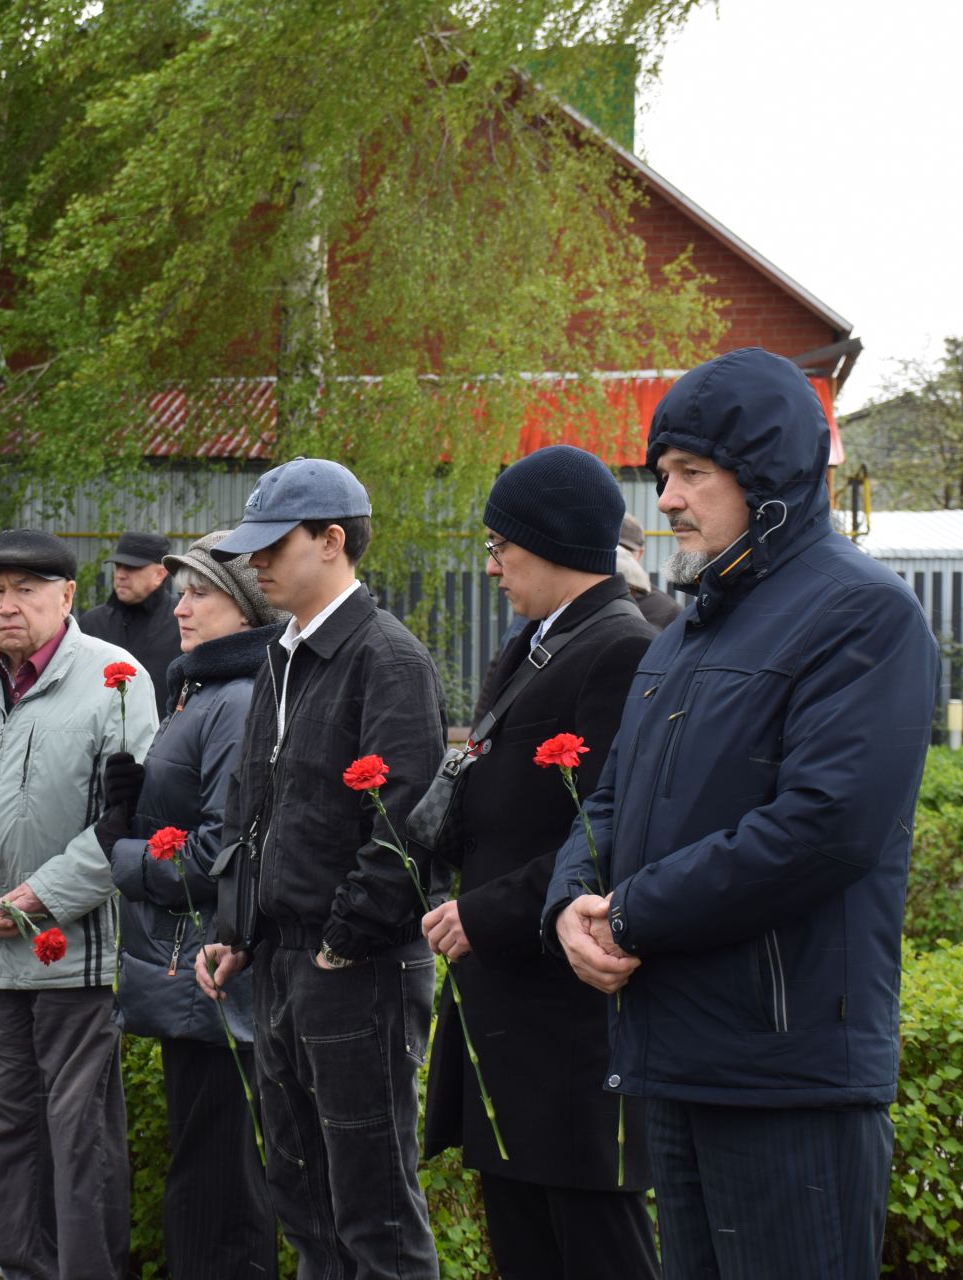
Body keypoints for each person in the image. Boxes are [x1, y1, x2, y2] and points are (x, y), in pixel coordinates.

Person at [542, 348, 940, 1280]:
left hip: (788, 1076)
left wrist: (630, 914)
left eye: (692, 473)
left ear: (767, 480)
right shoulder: (690, 627)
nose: (667, 499)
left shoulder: (862, 613)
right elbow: (612, 794)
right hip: (677, 1056)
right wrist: (570, 900)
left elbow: (824, 827)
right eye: (663, 473)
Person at [194, 458, 448, 1279]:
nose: (254, 562)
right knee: (302, 1196)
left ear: (332, 540)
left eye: (274, 544)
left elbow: (406, 820)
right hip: (282, 959)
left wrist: (343, 940)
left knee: (374, 1210)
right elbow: (254, 800)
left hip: (355, 969)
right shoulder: (284, 653)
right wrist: (238, 929)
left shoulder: (387, 659)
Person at [417, 446, 660, 1279]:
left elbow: (605, 830)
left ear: (553, 540)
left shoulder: (619, 648)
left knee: (591, 1236)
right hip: (511, 1000)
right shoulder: (541, 642)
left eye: (501, 547)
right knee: (525, 1235)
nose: (491, 567)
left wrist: (484, 913)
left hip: (562, 1012)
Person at [0, 529, 160, 1280]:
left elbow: (128, 817)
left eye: (26, 589)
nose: (7, 605)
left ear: (68, 595)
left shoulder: (116, 678)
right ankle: (25, 1268)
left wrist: (41, 899)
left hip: (69, 953)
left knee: (79, 1136)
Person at [105, 531, 280, 1280]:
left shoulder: (235, 699)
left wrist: (122, 850)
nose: (181, 606)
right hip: (195, 970)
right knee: (207, 1162)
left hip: (215, 971)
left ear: (246, 607)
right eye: (181, 591)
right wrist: (135, 802)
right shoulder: (204, 689)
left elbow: (218, 852)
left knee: (217, 1175)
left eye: (201, 592)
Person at [79, 531, 183, 711]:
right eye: (118, 566)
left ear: (159, 574)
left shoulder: (182, 622)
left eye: (131, 567)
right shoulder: (92, 623)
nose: (120, 574)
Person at [618, 513, 683, 628]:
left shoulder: (666, 610)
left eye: (627, 550)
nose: (619, 556)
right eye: (613, 548)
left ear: (640, 554)